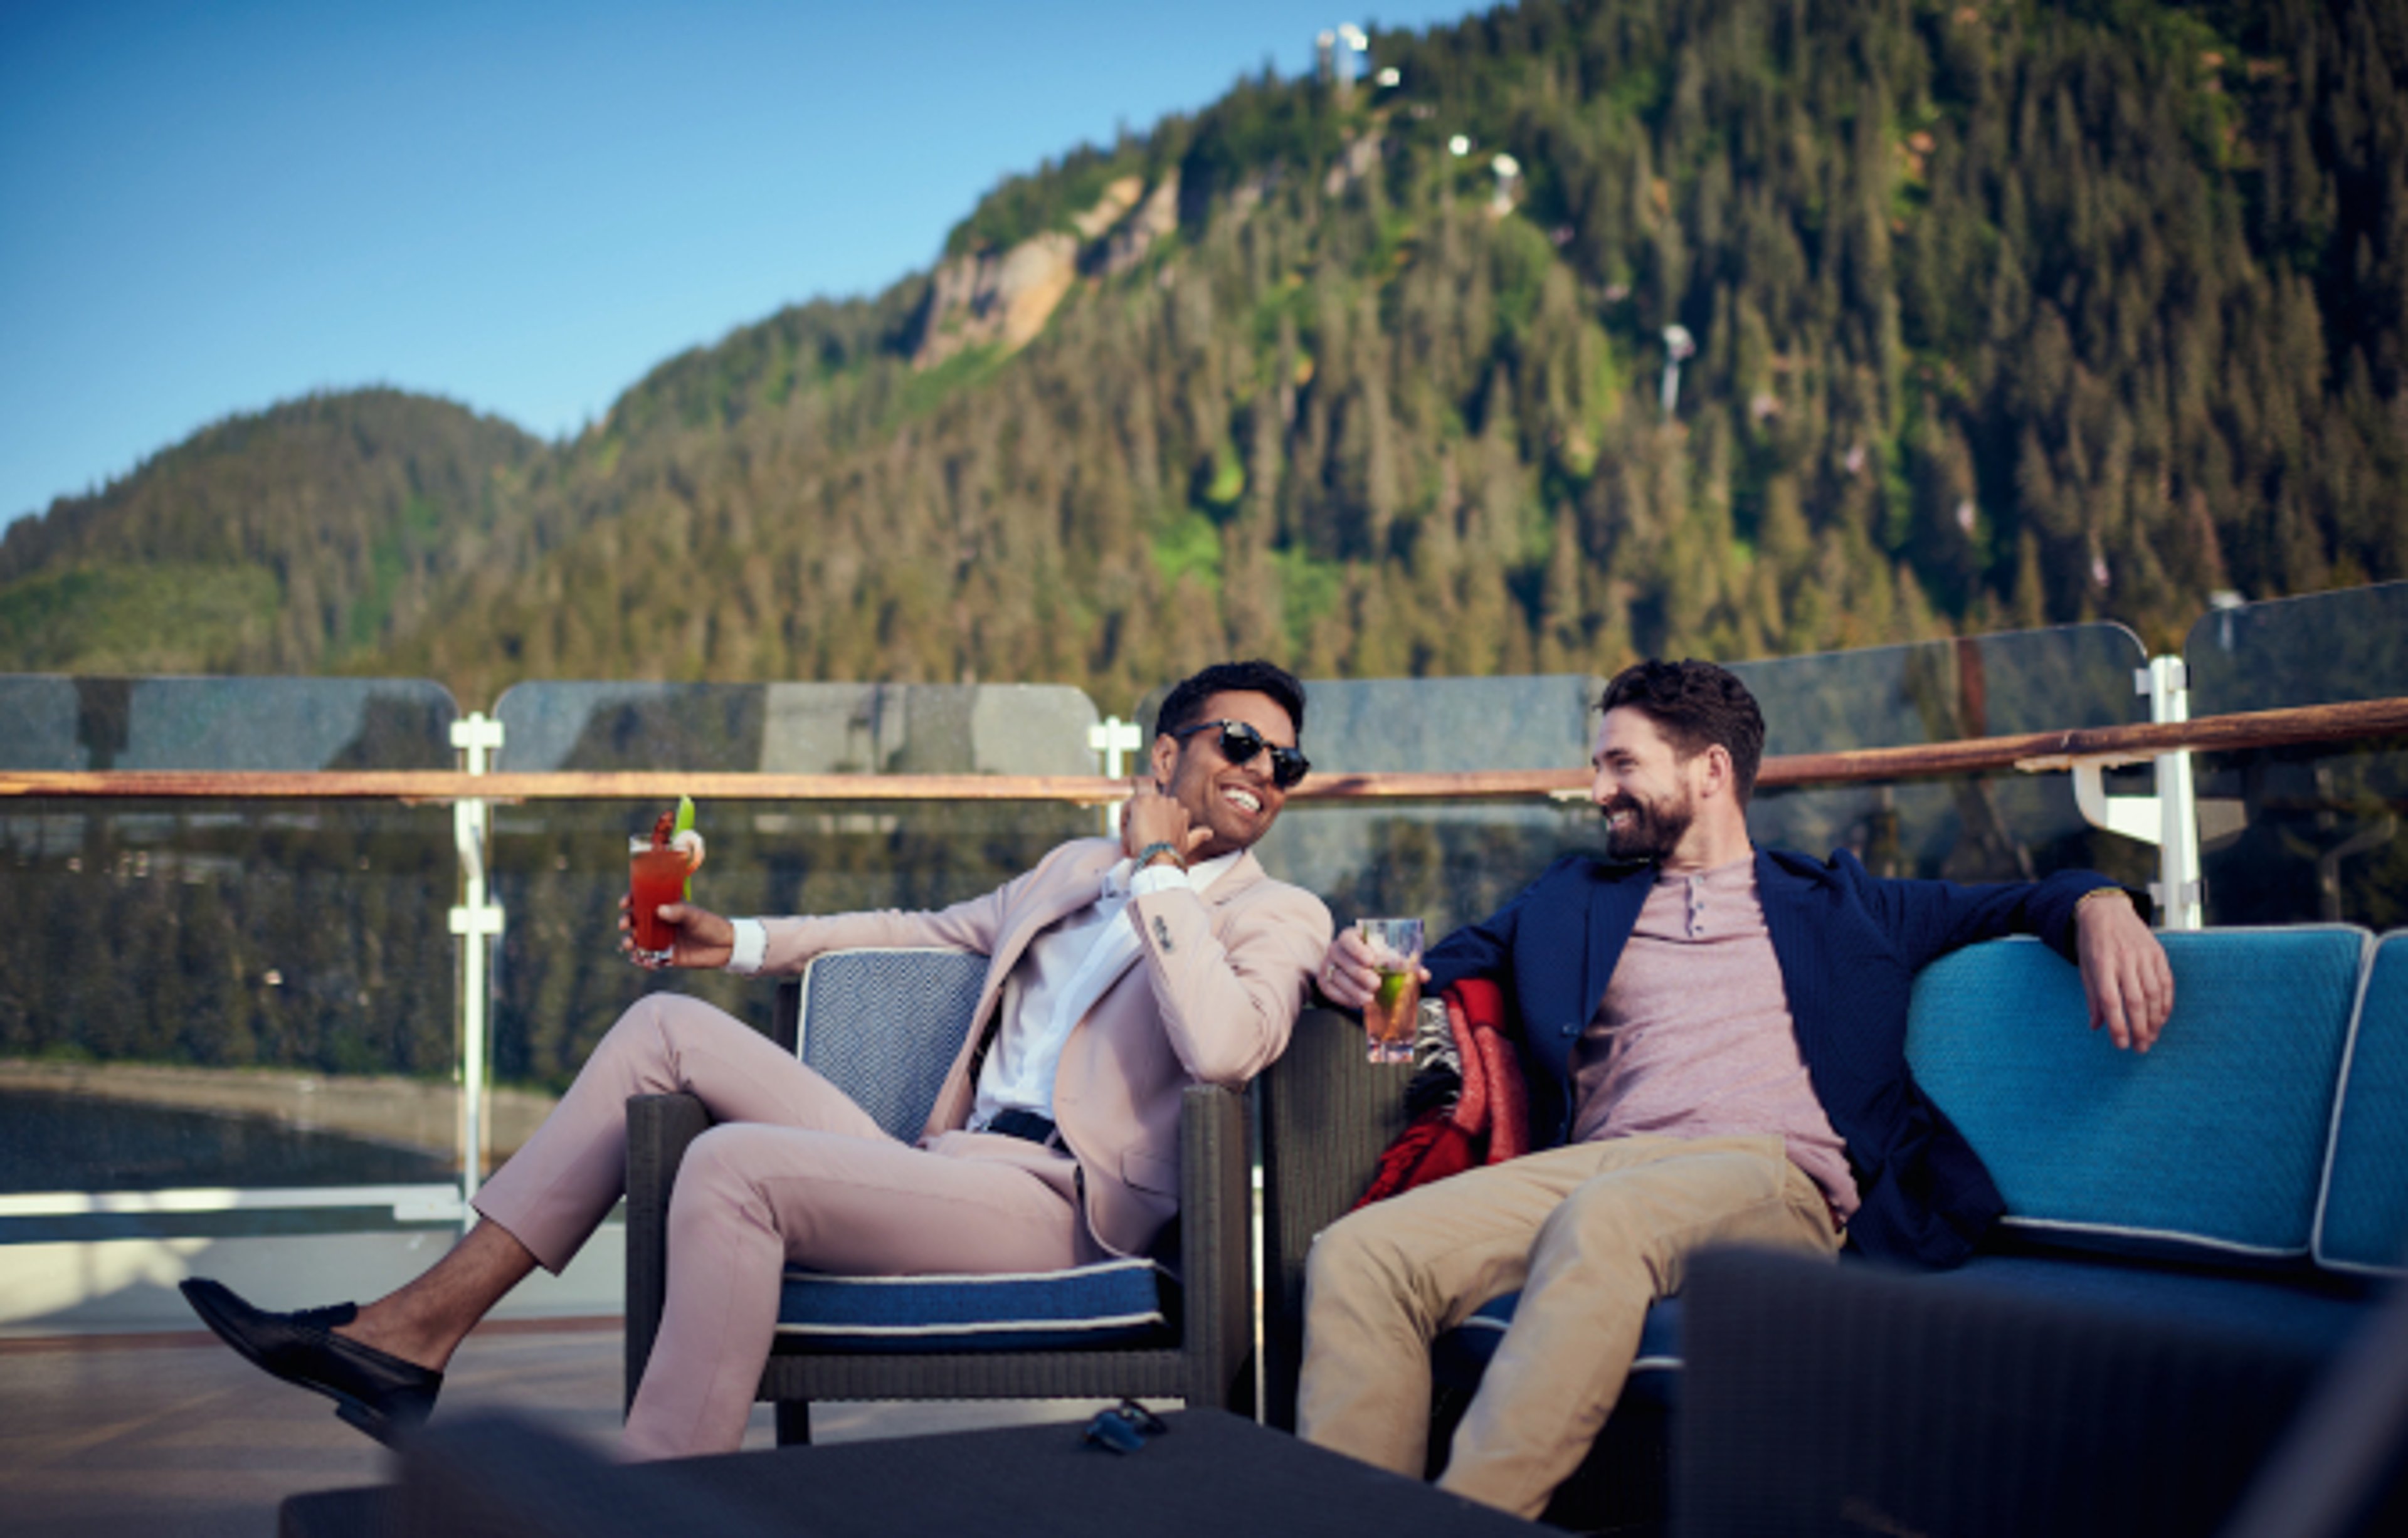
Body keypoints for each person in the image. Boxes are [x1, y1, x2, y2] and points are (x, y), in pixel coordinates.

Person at [182, 659, 1332, 1458]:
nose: (1263, 771)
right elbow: (918, 932)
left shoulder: (1279, 916)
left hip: (1059, 1207)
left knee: (730, 1168)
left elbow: (1224, 1050)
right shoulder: (1071, 870)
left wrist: (1167, 878)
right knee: (661, 1029)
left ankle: (651, 1503)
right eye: (1241, 743)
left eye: (1286, 762)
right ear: (1168, 751)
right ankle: (407, 1338)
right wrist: (737, 941)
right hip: (942, 1162)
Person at [1299, 658, 2174, 1519]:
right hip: (1597, 1167)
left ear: (1711, 769)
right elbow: (1424, 980)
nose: (1596, 788)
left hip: (1769, 1174)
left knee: (1605, 1223)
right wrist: (1360, 969)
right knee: (1357, 1255)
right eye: (1598, 764)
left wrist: (2101, 903)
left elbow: (2018, 901)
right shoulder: (1570, 897)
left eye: (1622, 764)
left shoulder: (1844, 903)